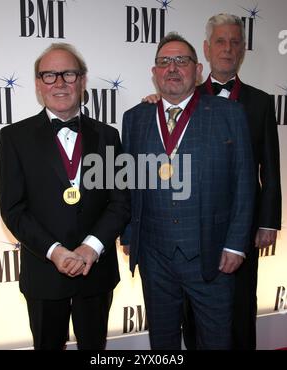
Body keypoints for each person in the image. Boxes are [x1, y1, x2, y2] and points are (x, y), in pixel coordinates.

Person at [143, 14, 282, 350]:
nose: (228, 48)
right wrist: (158, 105)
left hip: (238, 228)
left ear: (243, 51)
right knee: (192, 316)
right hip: (188, 235)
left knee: (239, 307)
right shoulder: (180, 95)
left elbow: (269, 169)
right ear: (206, 51)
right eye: (220, 41)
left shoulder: (260, 102)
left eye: (235, 42)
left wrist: (267, 222)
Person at [120, 32, 255, 349]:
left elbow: (245, 182)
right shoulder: (135, 119)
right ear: (154, 73)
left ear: (197, 70)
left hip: (212, 255)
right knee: (162, 341)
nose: (172, 67)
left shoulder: (229, 114)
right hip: (155, 257)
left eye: (181, 60)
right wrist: (129, 236)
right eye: (164, 61)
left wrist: (236, 246)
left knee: (215, 339)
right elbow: (127, 184)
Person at [0, 43, 130, 350]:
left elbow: (120, 202)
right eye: (49, 75)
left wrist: (91, 248)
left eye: (68, 74)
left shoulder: (109, 136)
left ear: (82, 81)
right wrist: (55, 251)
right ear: (38, 84)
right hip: (44, 272)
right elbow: (13, 209)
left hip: (95, 271)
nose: (59, 82)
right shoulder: (14, 138)